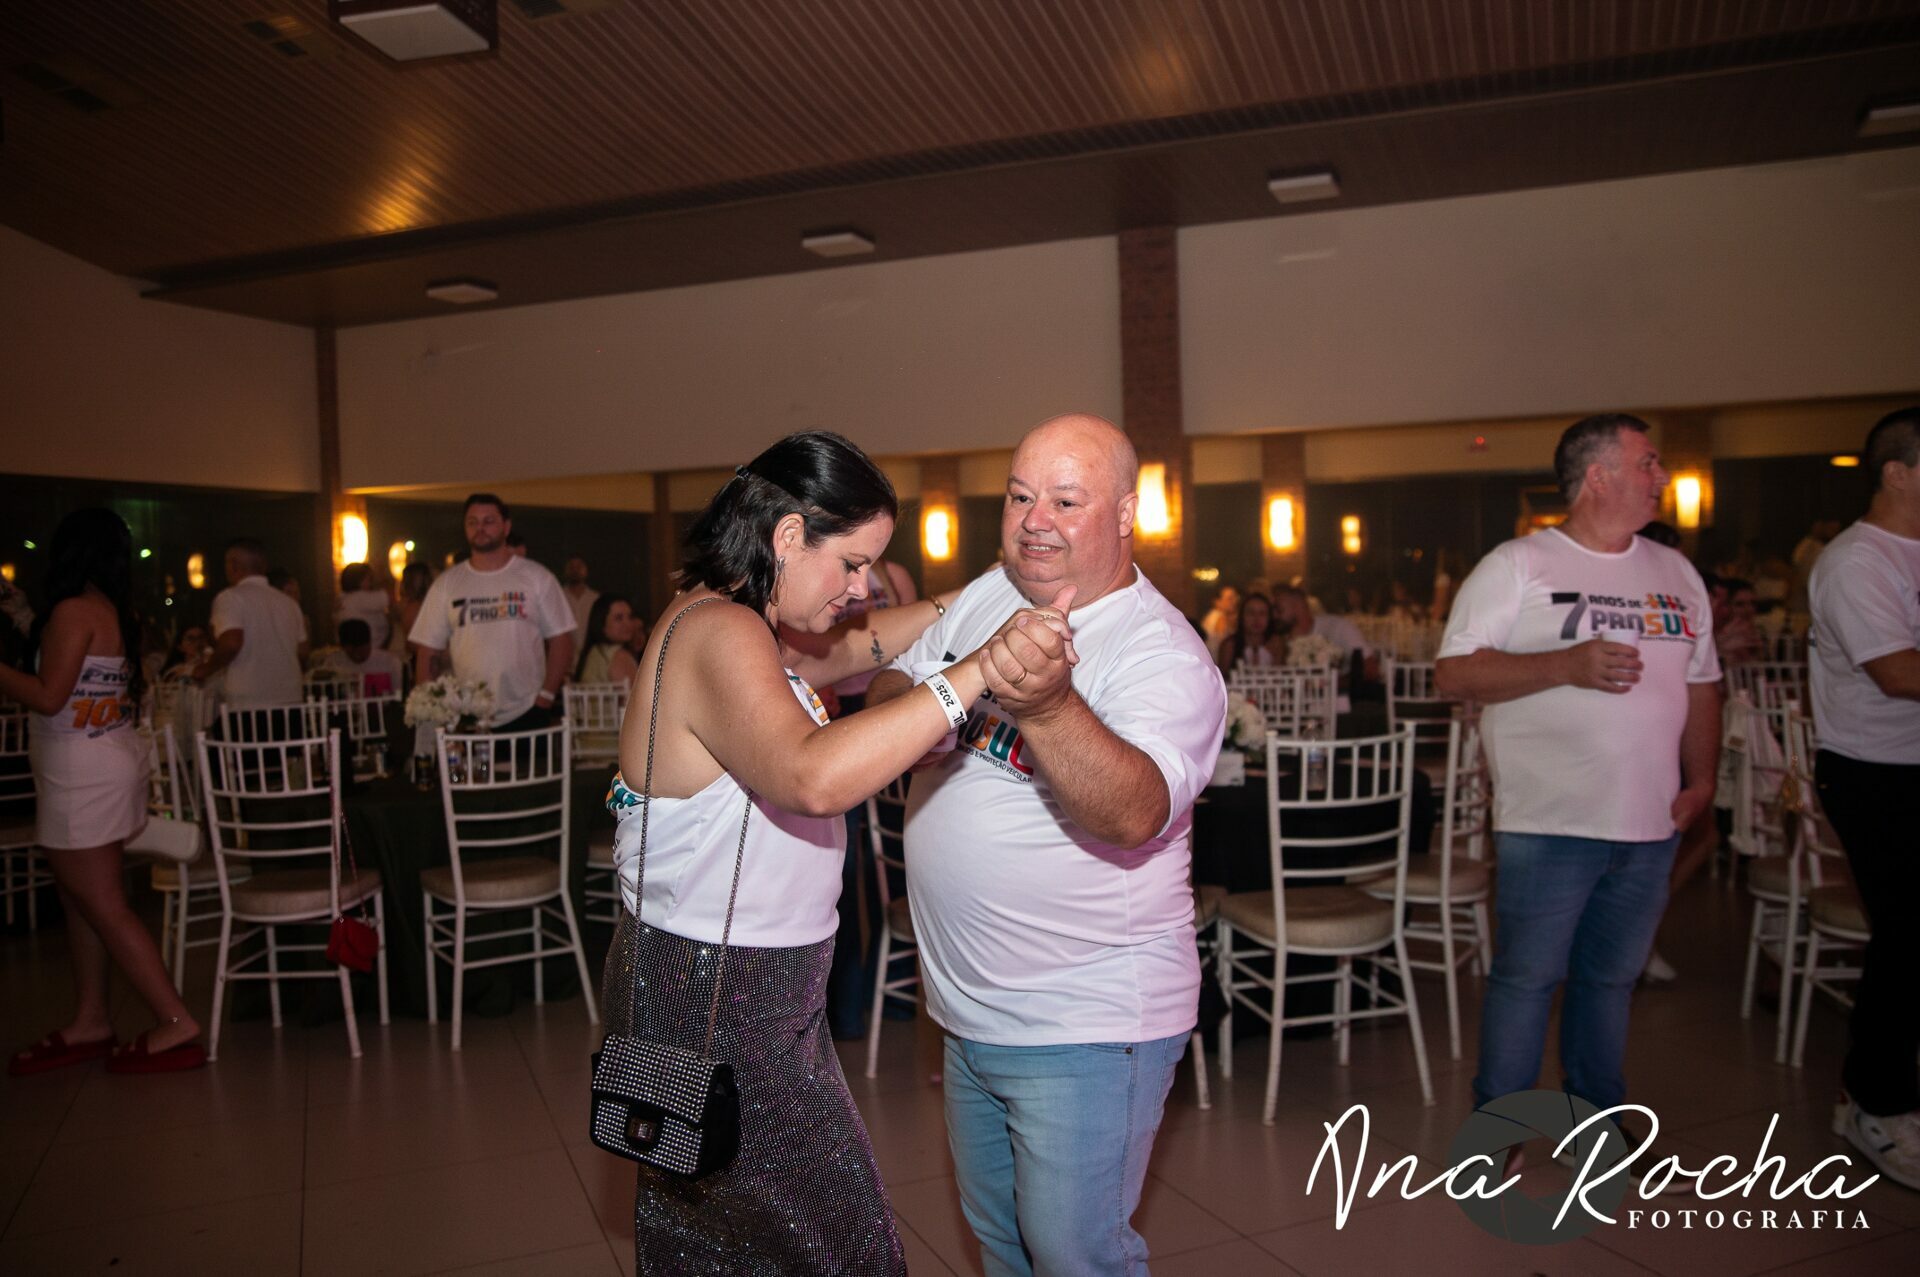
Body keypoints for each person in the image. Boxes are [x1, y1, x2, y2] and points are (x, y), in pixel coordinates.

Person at [603, 430, 1058, 1274]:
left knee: (726, 1248)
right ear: (787, 535)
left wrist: (981, 595)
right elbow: (811, 776)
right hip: (722, 992)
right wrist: (978, 671)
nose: (861, 588)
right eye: (851, 563)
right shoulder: (720, 630)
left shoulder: (739, 620)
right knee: (844, 1246)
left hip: (727, 981)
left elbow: (859, 647)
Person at [866, 413, 1227, 1275]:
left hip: (1088, 1020)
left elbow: (1133, 810)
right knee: (1003, 1245)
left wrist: (1048, 704)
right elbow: (891, 680)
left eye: (1066, 500)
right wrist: (928, 717)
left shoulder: (1162, 652)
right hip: (968, 1013)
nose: (1035, 521)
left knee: (1074, 1255)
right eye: (1020, 496)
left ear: (1127, 513)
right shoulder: (991, 590)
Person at [1436, 414, 1720, 1184]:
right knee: (1527, 979)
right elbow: (1453, 673)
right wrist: (1565, 664)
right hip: (1548, 820)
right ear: (1599, 475)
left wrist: (1701, 780)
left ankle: (1595, 1125)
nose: (1662, 476)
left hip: (1651, 820)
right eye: (1648, 462)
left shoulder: (1676, 571)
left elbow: (1702, 683)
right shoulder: (1520, 564)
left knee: (1610, 981)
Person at [2, 509, 204, 1076]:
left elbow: (49, 696)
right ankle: (91, 1017)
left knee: (104, 905)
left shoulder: (74, 610)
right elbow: (70, 676)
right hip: (98, 760)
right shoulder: (108, 611)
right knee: (82, 900)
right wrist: (22, 614)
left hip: (81, 773)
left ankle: (175, 1021)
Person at [1810, 407, 1920, 1190]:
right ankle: (1874, 1100)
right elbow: (1897, 671)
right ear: (1898, 473)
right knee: (1909, 930)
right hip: (1875, 769)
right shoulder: (1856, 561)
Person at [409, 495, 575, 731]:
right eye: (472, 522)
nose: (480, 528)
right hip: (467, 714)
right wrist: (430, 708)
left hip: (528, 709)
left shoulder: (536, 577)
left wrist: (546, 697)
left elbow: (561, 639)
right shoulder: (447, 584)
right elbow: (428, 650)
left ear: (506, 527)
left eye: (488, 521)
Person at [196, 538, 308, 709]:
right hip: (291, 698)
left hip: (250, 701)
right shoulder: (288, 603)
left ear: (233, 566)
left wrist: (206, 669)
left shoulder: (231, 597)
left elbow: (231, 643)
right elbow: (303, 651)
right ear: (263, 566)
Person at [573, 594, 640, 687]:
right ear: (602, 624)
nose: (627, 623)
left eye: (630, 617)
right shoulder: (618, 655)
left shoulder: (594, 651)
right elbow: (636, 694)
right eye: (618, 618)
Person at [325, 618, 403, 697]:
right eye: (352, 651)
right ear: (342, 647)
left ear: (370, 643)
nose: (357, 654)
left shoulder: (390, 662)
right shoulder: (332, 663)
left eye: (362, 650)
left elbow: (399, 695)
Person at [1216, 590, 1282, 673]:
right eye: (1251, 613)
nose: (1256, 619)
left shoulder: (1276, 644)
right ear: (1242, 616)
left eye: (1262, 613)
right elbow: (1222, 677)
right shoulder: (1230, 645)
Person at [335, 562, 392, 650]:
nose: (372, 582)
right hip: (371, 650)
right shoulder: (359, 598)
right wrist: (383, 579)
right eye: (369, 579)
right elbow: (389, 597)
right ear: (358, 581)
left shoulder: (344, 598)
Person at [562, 555, 599, 640]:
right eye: (571, 567)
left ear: (586, 570)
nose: (575, 570)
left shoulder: (595, 599)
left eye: (579, 567)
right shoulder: (558, 597)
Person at [1197, 584, 1240, 657]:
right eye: (1230, 599)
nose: (1234, 601)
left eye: (1235, 597)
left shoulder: (1211, 615)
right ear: (1217, 602)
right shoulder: (1220, 618)